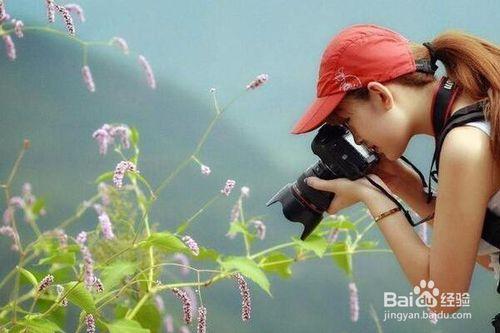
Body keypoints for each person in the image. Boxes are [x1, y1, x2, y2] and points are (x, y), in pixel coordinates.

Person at [290, 24, 500, 320]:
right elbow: (492, 255)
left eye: (348, 123)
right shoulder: (480, 106)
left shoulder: (464, 145)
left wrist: (375, 198)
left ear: (380, 95)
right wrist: (410, 189)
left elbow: (443, 298)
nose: (357, 140)